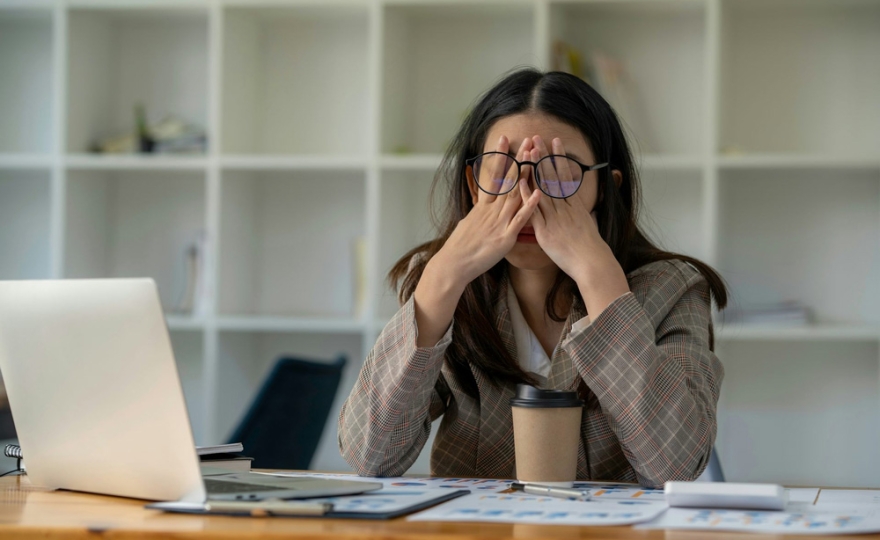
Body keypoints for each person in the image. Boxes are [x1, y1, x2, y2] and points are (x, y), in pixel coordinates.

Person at [338, 68, 727, 487]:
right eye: (502, 169)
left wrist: (600, 280)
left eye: (558, 171)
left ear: (606, 189)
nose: (527, 196)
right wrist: (442, 277)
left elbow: (675, 466)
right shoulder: (445, 286)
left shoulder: (674, 288)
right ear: (473, 185)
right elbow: (369, 456)